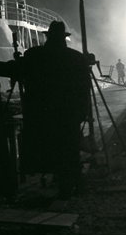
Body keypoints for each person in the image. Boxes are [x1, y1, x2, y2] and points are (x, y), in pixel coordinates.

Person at [13, 21, 91, 199]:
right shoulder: (77, 58)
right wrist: (82, 114)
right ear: (64, 38)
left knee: (46, 148)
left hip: (41, 115)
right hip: (68, 115)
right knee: (69, 151)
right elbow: (84, 89)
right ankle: (70, 187)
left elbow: (16, 70)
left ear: (48, 36)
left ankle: (47, 178)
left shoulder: (34, 55)